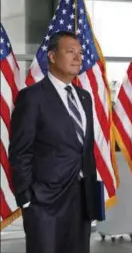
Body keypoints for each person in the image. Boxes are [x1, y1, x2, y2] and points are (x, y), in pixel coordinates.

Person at [9, 31, 98, 253]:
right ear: (52, 56)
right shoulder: (32, 97)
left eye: (80, 53)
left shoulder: (85, 97)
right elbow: (20, 151)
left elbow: (85, 150)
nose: (78, 58)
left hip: (82, 200)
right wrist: (27, 198)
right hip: (44, 202)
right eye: (70, 52)